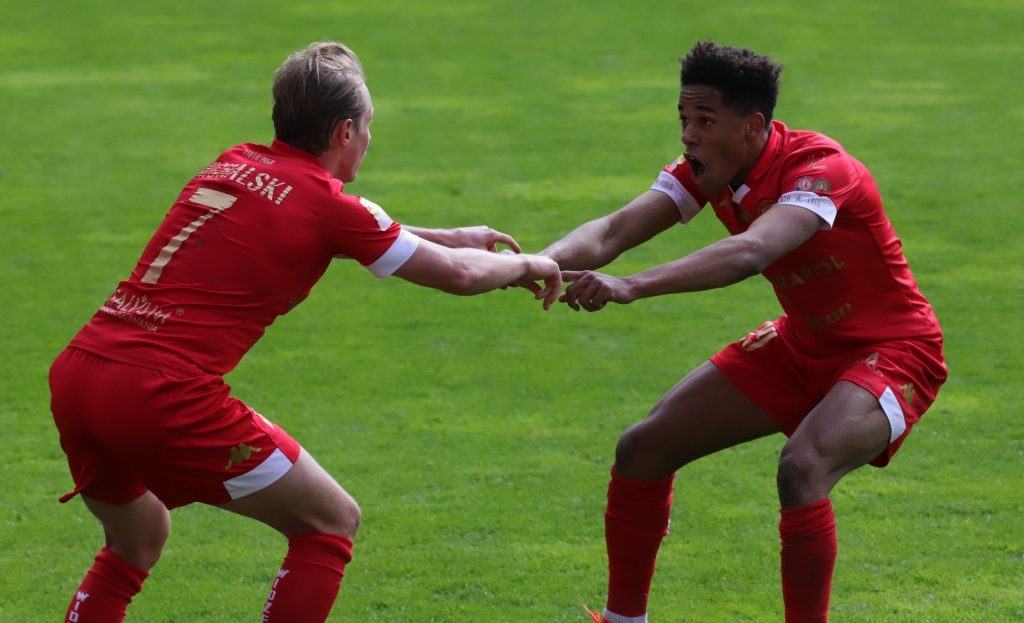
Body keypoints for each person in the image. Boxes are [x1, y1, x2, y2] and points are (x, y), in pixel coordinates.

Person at [49, 41, 561, 623]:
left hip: (80, 374)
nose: (369, 138)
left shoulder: (235, 162)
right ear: (345, 132)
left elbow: (317, 226)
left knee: (137, 538)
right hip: (160, 391)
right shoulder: (327, 206)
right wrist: (530, 263)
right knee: (330, 522)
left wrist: (447, 235)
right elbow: (458, 275)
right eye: (368, 126)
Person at [529, 41, 947, 622]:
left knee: (802, 467)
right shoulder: (712, 170)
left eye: (705, 121)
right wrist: (535, 263)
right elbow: (614, 230)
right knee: (643, 449)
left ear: (752, 126)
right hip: (803, 345)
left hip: (895, 351)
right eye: (683, 118)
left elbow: (752, 252)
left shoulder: (820, 171)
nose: (688, 136)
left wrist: (632, 285)